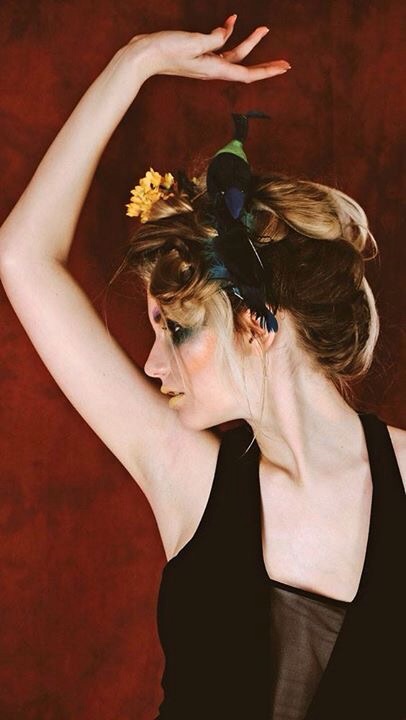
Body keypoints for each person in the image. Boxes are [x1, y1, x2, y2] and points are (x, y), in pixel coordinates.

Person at [0, 15, 404, 720]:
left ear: (256, 324)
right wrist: (135, 61)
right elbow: (21, 257)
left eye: (177, 330)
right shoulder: (187, 474)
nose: (152, 363)